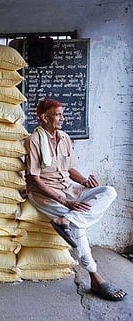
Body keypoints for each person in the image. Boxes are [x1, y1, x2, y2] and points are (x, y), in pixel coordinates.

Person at [24, 98, 127, 301]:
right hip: (44, 194)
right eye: (58, 114)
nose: (63, 118)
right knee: (79, 228)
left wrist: (86, 181)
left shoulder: (64, 137)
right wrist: (65, 203)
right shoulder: (34, 140)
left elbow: (70, 169)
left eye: (63, 114)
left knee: (108, 192)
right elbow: (34, 180)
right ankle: (95, 277)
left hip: (68, 189)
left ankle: (67, 220)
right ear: (44, 117)